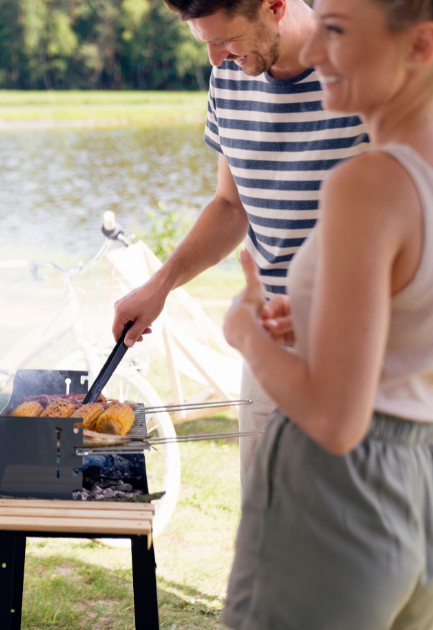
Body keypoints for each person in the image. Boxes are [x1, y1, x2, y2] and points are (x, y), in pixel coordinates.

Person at [221, 0, 433, 625]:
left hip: (339, 489)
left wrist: (245, 336)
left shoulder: (368, 182)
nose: (311, 54)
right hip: (420, 477)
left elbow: (337, 421)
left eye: (335, 32)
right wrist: (322, 315)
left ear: (420, 45)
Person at [112, 0, 369, 490]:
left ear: (275, 6)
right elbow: (232, 206)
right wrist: (160, 285)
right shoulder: (229, 78)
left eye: (224, 39)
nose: (214, 58)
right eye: (204, 42)